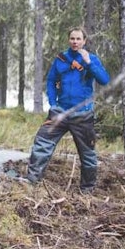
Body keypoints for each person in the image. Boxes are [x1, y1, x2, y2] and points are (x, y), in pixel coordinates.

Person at [25, 27, 110, 191]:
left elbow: (104, 80)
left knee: (88, 154)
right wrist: (52, 103)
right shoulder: (61, 59)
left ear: (84, 41)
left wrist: (89, 63)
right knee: (42, 143)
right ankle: (32, 182)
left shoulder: (91, 59)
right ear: (68, 40)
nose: (75, 42)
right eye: (72, 38)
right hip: (60, 112)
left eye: (78, 39)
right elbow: (51, 81)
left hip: (82, 114)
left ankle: (87, 190)